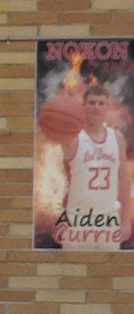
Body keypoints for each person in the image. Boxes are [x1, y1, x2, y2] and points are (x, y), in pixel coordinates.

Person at [54, 81, 132, 248]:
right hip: (78, 221)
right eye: (92, 103)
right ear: (83, 106)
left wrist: (125, 220)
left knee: (108, 273)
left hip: (108, 220)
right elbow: (55, 133)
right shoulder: (72, 138)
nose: (96, 107)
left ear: (107, 107)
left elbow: (124, 181)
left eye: (101, 103)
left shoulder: (116, 138)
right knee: (74, 272)